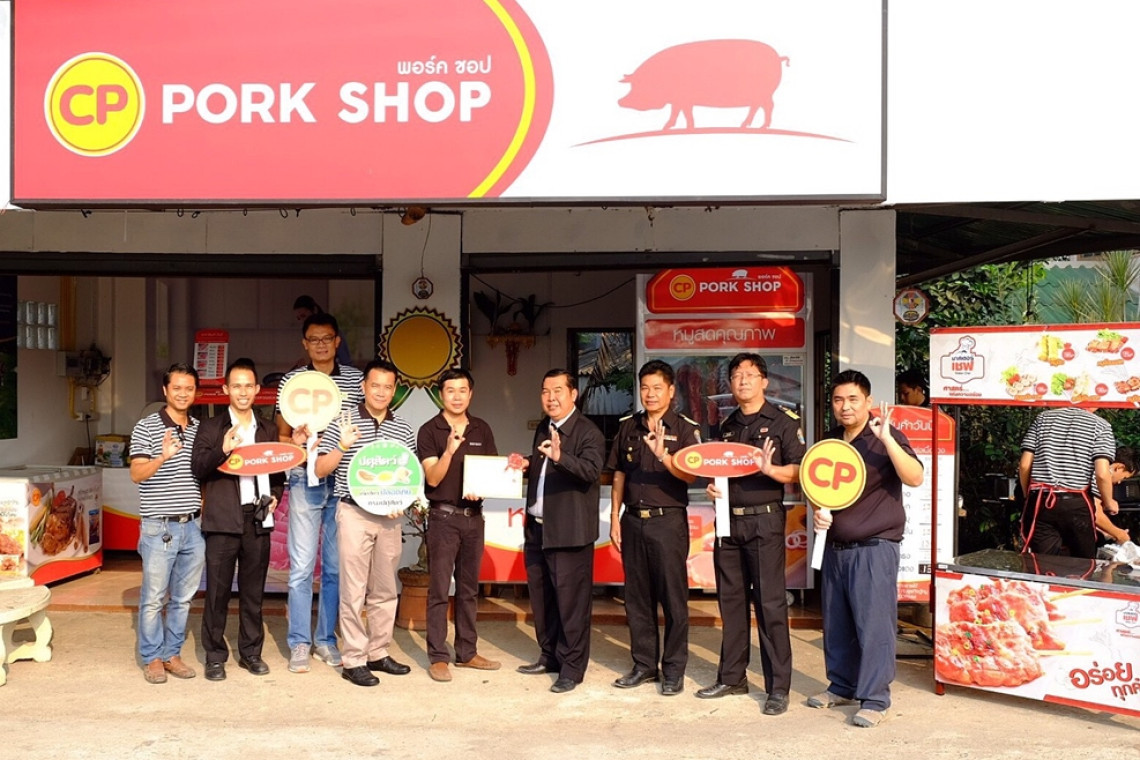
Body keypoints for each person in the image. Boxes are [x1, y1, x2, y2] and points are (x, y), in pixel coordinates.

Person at [809, 369, 923, 728]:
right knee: (837, 623)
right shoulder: (831, 442)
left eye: (852, 399)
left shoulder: (884, 436)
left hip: (875, 547)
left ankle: (875, 699)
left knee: (874, 627)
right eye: (838, 400)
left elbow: (915, 477)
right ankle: (842, 686)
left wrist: (888, 440)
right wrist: (818, 513)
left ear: (868, 401)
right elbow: (818, 489)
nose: (845, 406)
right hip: (836, 547)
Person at [697, 353, 805, 716]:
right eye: (736, 375)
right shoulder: (726, 426)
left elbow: (800, 470)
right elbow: (719, 469)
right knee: (731, 603)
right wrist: (714, 489)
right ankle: (732, 677)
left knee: (770, 605)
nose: (742, 380)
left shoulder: (783, 422)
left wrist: (772, 470)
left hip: (764, 523)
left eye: (750, 374)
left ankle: (778, 687)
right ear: (730, 383)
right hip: (728, 523)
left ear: (764, 382)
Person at [315, 359, 416, 687]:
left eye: (388, 387)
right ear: (363, 387)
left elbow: (409, 474)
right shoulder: (342, 422)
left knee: (385, 589)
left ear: (394, 389)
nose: (381, 392)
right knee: (353, 589)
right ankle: (354, 659)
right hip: (354, 512)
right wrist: (342, 445)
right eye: (375, 385)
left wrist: (401, 500)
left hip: (389, 517)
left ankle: (378, 652)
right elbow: (320, 469)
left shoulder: (403, 428)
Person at [276, 313, 364, 674]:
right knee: (300, 567)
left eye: (327, 338)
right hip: (304, 479)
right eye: (314, 339)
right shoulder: (292, 381)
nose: (321, 345)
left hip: (343, 480)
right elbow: (282, 437)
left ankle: (326, 640)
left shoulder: (356, 380)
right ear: (305, 344)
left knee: (334, 567)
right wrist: (298, 445)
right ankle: (299, 642)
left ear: (338, 341)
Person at [605, 360, 699, 696]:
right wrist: (614, 517)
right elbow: (618, 474)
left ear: (671, 391)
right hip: (633, 521)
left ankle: (673, 670)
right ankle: (644, 665)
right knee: (637, 598)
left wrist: (663, 456)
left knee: (673, 599)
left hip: (667, 522)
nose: (650, 394)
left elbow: (691, 475)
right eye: (645, 387)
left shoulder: (685, 429)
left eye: (657, 388)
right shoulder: (628, 426)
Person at [191, 358, 284, 682]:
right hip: (222, 519)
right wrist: (223, 448)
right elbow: (198, 467)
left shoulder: (268, 429)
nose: (243, 392)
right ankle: (215, 656)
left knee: (253, 592)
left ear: (257, 389)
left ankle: (251, 653)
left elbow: (278, 475)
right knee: (217, 592)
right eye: (236, 386)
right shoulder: (210, 427)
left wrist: (275, 495)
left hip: (257, 517)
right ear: (225, 389)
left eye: (248, 386)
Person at [517, 368, 605, 694]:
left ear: (573, 394)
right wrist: (527, 463)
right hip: (538, 530)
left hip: (570, 533)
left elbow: (591, 471)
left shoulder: (588, 432)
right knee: (544, 600)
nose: (551, 398)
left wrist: (560, 456)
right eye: (545, 391)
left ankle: (572, 668)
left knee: (572, 605)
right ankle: (550, 655)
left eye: (557, 391)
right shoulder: (545, 426)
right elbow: (542, 466)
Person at [417, 368, 501, 682]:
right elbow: (433, 478)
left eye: (462, 390)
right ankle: (438, 657)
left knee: (468, 590)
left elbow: (492, 473)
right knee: (440, 590)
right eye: (450, 390)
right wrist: (449, 451)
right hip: (443, 518)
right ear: (441, 394)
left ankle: (467, 652)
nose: (456, 396)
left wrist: (484, 487)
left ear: (471, 394)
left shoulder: (482, 428)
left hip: (473, 518)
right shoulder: (430, 430)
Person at [129, 363, 205, 684]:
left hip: (193, 527)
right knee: (153, 598)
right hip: (159, 527)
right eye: (177, 388)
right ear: (165, 390)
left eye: (189, 388)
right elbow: (136, 474)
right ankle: (152, 658)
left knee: (183, 598)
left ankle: (172, 653)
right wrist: (162, 457)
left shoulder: (200, 428)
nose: (183, 394)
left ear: (195, 392)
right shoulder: (146, 427)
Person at [1018, 406, 1117, 558]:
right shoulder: (1101, 425)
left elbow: (1025, 465)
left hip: (1040, 501)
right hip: (1076, 503)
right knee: (1082, 563)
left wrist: (1028, 495)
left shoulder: (1043, 418)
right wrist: (1109, 502)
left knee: (1043, 562)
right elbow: (1102, 474)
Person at [1092, 446, 1136, 545]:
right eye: (1124, 477)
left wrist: (1108, 533)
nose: (1119, 482)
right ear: (1119, 467)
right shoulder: (1100, 477)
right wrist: (1119, 534)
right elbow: (1095, 512)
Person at [294, 295, 352, 367]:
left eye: (303, 316)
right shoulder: (306, 335)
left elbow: (346, 361)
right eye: (299, 318)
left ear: (314, 310)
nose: (302, 321)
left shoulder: (334, 333)